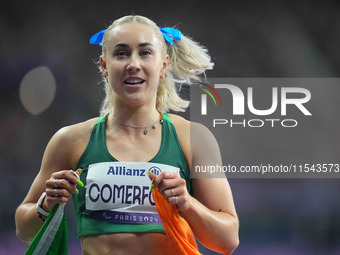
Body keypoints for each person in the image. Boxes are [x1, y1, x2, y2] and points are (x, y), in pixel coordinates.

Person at [15, 15, 239, 254]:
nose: (133, 63)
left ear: (164, 65)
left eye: (145, 53)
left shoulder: (194, 138)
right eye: (121, 53)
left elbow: (228, 240)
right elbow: (24, 231)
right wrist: (46, 203)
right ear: (104, 66)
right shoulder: (71, 140)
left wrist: (187, 203)